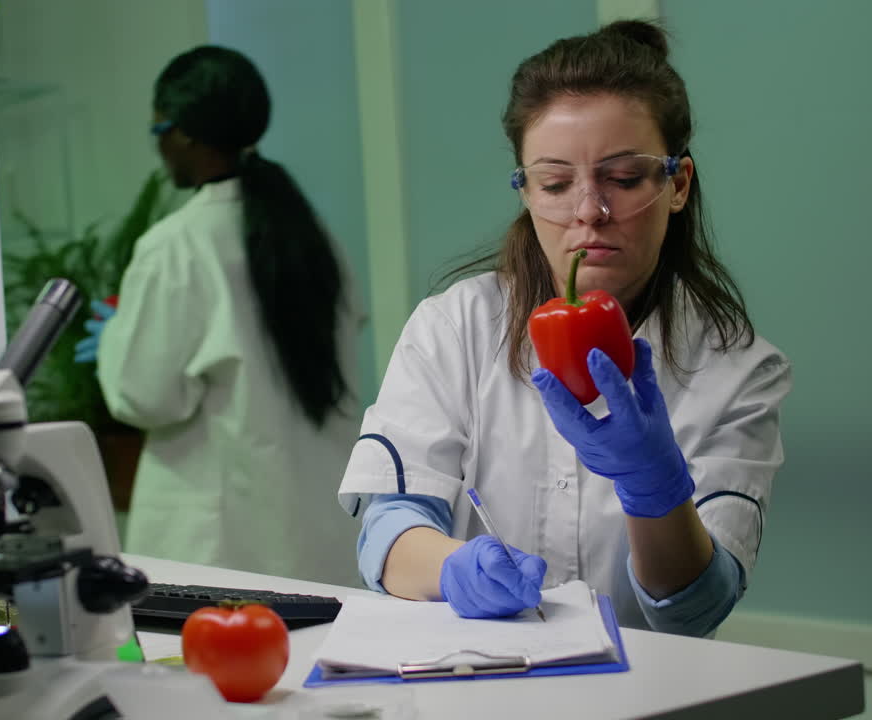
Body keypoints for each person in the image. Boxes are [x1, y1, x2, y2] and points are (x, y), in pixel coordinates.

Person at [337, 20, 792, 636]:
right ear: (525, 191)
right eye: (554, 184)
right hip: (475, 679)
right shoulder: (455, 328)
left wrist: (654, 488)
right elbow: (388, 529)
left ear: (677, 183)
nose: (588, 212)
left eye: (624, 179)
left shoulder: (737, 368)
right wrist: (454, 569)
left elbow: (698, 606)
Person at [77, 46, 364, 586]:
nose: (158, 146)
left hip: (221, 548)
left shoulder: (177, 245)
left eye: (157, 129)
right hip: (318, 531)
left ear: (183, 133)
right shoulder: (311, 236)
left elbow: (145, 396)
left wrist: (116, 337)